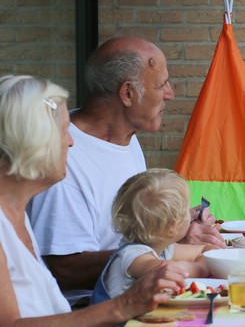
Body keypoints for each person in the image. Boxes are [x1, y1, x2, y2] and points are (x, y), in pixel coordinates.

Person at [26, 37, 226, 307]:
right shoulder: (64, 153)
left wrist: (169, 223)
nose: (170, 93)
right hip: (91, 310)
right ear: (128, 94)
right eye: (161, 84)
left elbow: (130, 229)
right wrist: (163, 244)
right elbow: (65, 268)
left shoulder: (126, 138)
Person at [0, 75, 188, 325]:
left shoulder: (16, 212)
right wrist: (125, 304)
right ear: (31, 140)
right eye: (63, 131)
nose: (71, 141)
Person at [91, 168, 216, 304]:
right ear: (173, 226)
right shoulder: (132, 256)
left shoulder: (164, 248)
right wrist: (203, 267)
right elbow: (166, 270)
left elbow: (207, 250)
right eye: (186, 210)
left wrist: (208, 258)